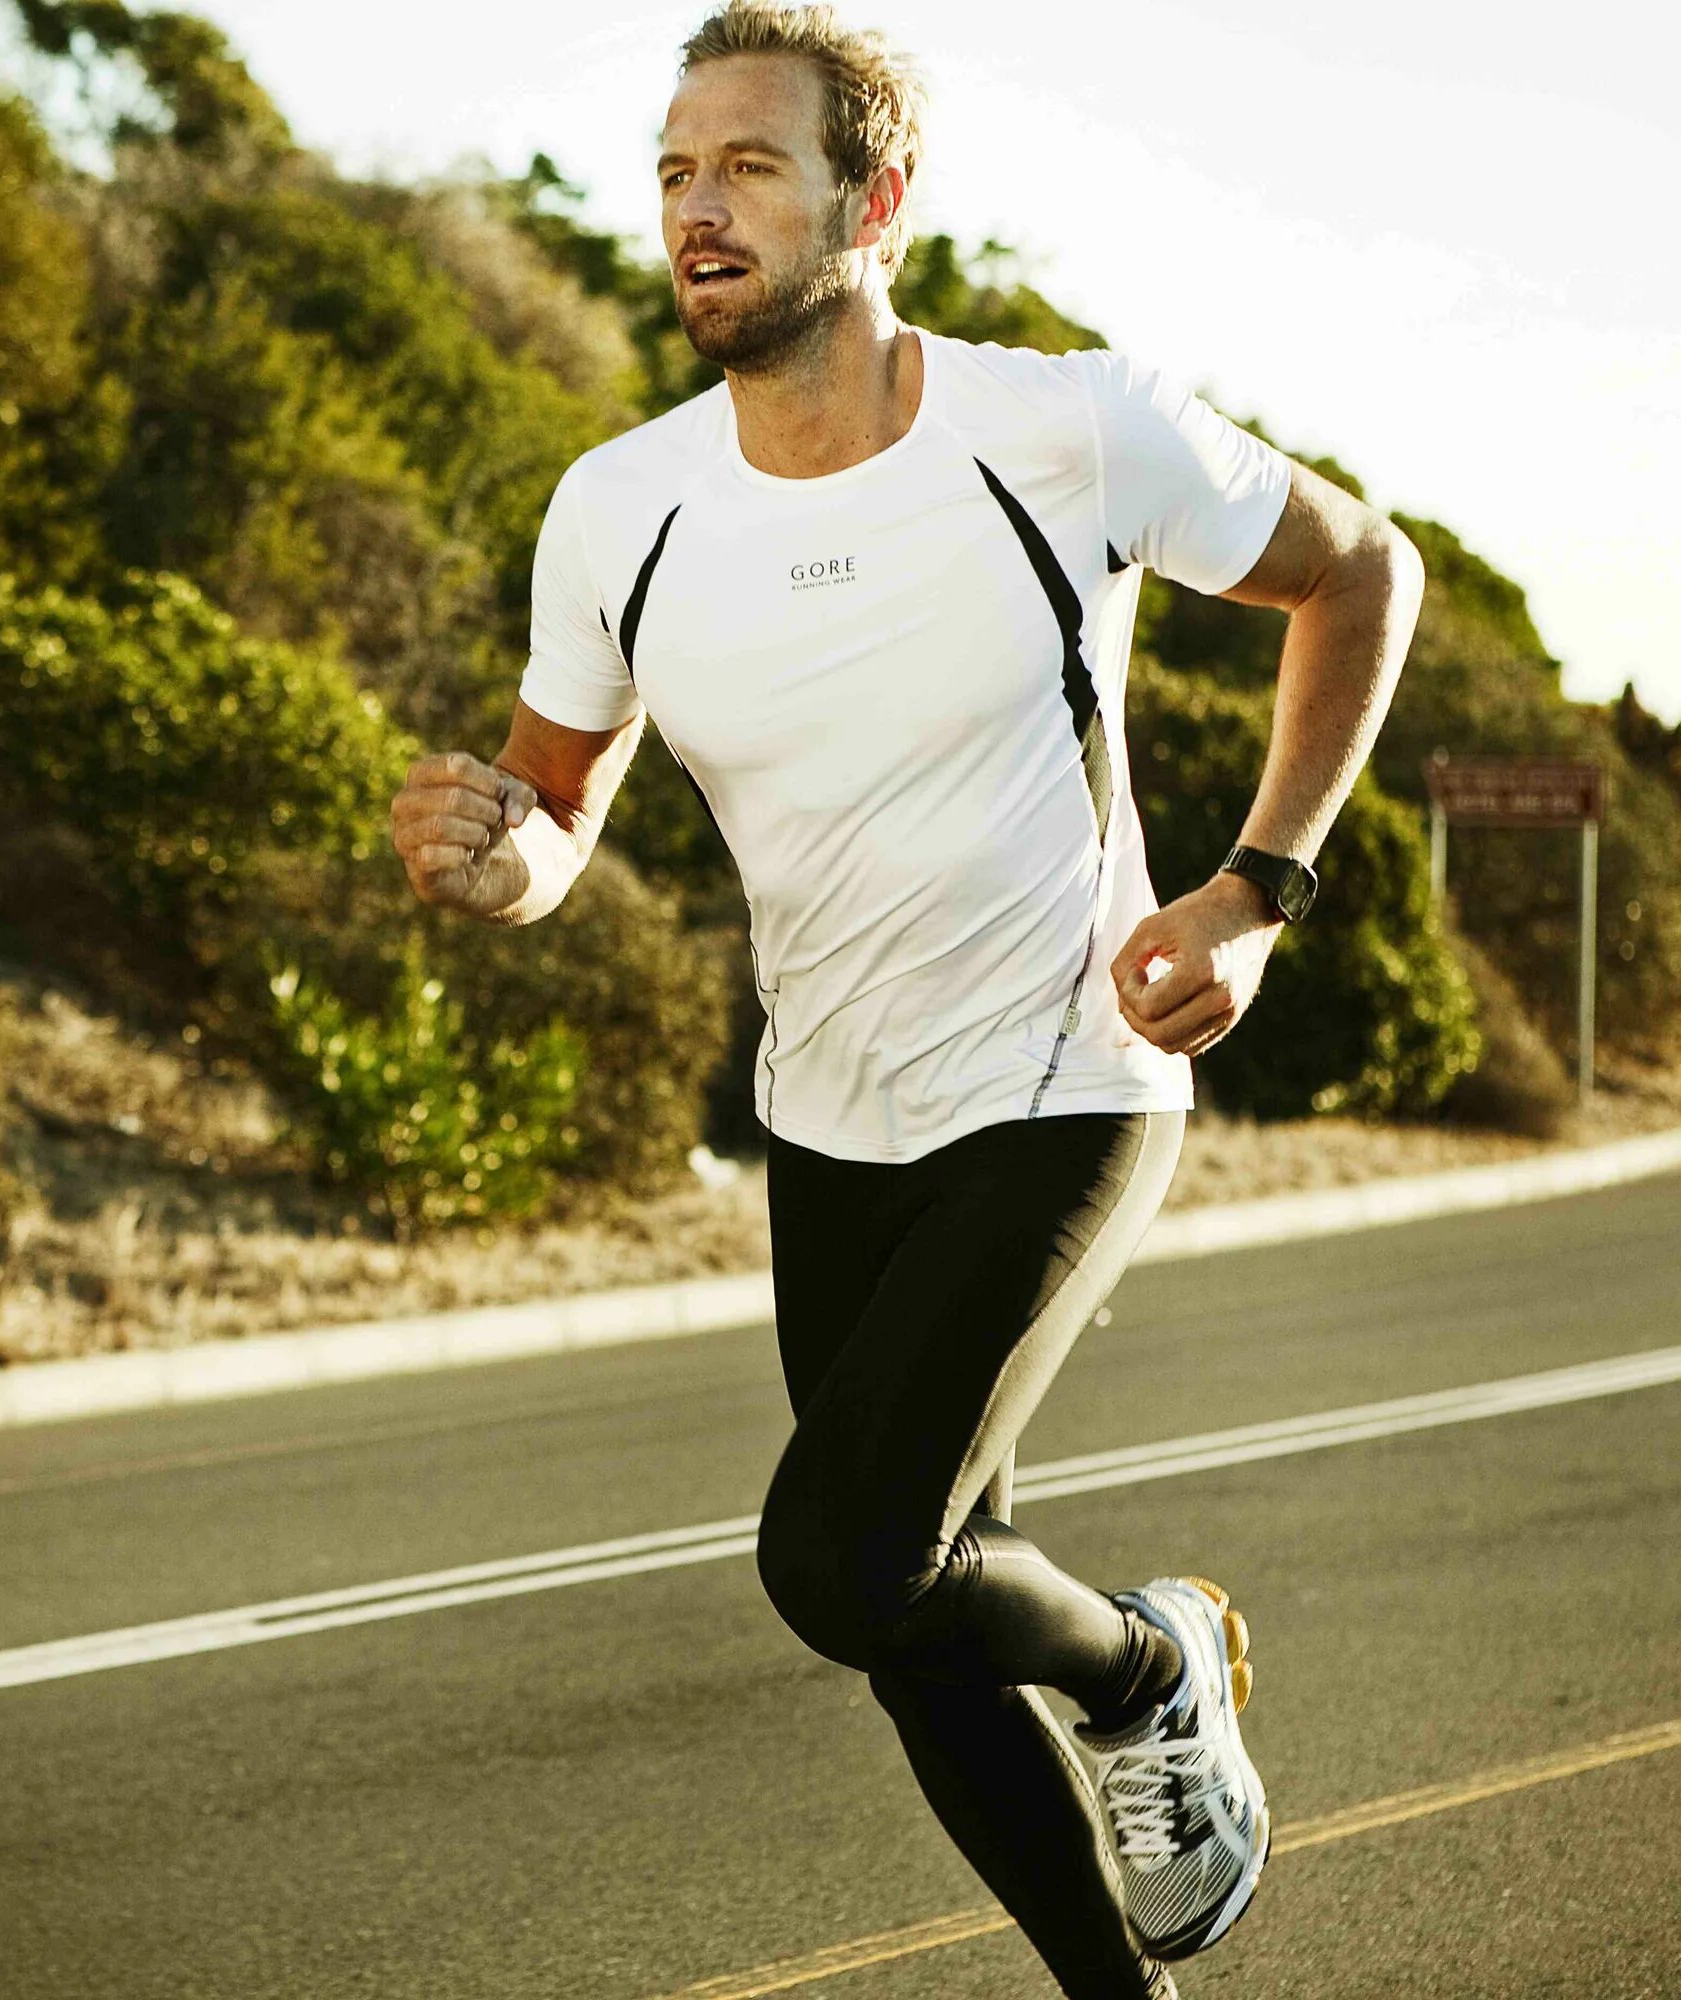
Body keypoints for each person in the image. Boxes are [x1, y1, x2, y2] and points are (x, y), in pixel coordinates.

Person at [386, 6, 1423, 1993]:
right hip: (831, 1112)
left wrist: (1257, 892)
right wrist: (494, 860)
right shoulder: (623, 506)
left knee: (844, 1559)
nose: (699, 208)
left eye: (750, 167)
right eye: (677, 170)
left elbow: (1361, 576)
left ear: (879, 197)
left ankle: (1148, 1661)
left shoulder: (1065, 427)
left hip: (1068, 1067)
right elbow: (563, 815)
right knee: (914, 1610)